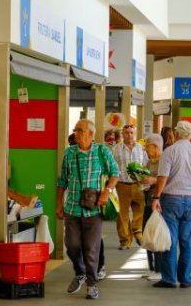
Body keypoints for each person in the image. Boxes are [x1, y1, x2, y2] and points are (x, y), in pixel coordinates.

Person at [57, 119, 119, 300]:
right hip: (72, 209)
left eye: (80, 130)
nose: (76, 133)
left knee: (91, 248)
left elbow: (115, 173)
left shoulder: (102, 152)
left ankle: (92, 284)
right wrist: (59, 204)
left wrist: (107, 191)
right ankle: (80, 272)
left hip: (93, 211)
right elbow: (62, 182)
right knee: (72, 246)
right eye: (75, 130)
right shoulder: (69, 153)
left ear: (90, 134)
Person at [151, 121, 191, 289]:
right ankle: (185, 279)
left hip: (171, 200)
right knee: (186, 241)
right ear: (190, 134)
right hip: (190, 201)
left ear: (177, 133)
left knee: (170, 240)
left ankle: (169, 279)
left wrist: (156, 197)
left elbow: (162, 177)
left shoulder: (169, 151)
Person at [69, 133, 107, 280]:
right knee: (75, 242)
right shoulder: (70, 156)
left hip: (93, 203)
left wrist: (106, 191)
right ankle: (84, 269)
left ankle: (98, 267)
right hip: (74, 206)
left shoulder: (98, 154)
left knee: (94, 240)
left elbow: (111, 173)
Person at [112, 124, 149, 249]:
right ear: (122, 134)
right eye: (126, 133)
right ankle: (125, 241)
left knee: (140, 209)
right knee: (122, 214)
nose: (129, 135)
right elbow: (112, 167)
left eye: (131, 132)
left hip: (138, 185)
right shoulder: (116, 149)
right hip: (121, 185)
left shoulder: (141, 148)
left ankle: (136, 230)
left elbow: (145, 164)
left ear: (135, 133)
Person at [142, 133, 164, 281]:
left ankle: (159, 269)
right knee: (147, 234)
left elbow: (166, 180)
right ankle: (151, 268)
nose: (145, 149)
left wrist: (153, 180)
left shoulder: (164, 161)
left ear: (155, 146)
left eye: (147, 146)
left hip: (158, 203)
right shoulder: (149, 162)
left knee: (157, 235)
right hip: (147, 201)